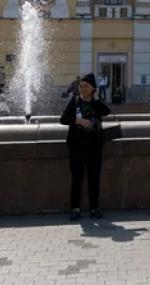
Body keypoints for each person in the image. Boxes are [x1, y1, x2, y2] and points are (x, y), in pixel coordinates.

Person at [61, 73, 112, 221]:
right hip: (77, 146)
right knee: (77, 178)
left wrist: (96, 98)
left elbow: (106, 112)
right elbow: (63, 119)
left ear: (93, 88)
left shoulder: (96, 102)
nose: (83, 89)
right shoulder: (74, 101)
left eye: (86, 86)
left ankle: (94, 208)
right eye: (81, 86)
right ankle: (75, 209)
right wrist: (78, 121)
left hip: (94, 146)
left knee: (94, 178)